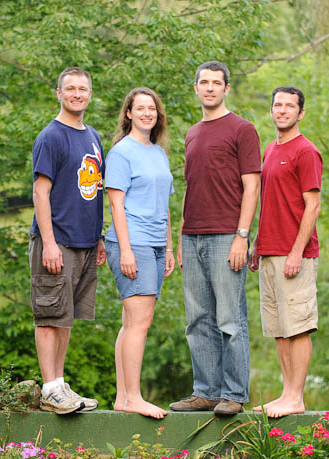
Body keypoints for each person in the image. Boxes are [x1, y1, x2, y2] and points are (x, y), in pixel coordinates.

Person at [170, 61, 261, 415]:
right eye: (203, 82)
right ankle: (206, 391)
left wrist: (242, 236)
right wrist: (180, 238)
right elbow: (191, 189)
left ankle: (234, 394)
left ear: (226, 89)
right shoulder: (192, 133)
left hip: (227, 236)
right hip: (192, 239)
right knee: (198, 319)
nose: (209, 88)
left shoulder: (242, 129)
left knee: (230, 319)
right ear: (196, 88)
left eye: (216, 83)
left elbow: (252, 186)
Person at [29, 67, 106, 415]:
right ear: (58, 93)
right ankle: (49, 387)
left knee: (66, 317)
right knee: (49, 314)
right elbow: (40, 193)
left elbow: (94, 192)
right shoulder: (51, 136)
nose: (77, 93)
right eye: (70, 88)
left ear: (90, 94)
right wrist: (49, 243)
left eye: (83, 88)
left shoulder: (92, 136)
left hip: (85, 242)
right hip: (57, 240)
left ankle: (60, 385)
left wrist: (99, 238)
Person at [248, 86, 323, 418]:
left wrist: (296, 252)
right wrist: (256, 245)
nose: (282, 110)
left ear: (300, 113)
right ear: (272, 110)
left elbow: (313, 206)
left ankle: (296, 397)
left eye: (290, 106)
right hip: (268, 251)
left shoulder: (305, 151)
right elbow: (269, 204)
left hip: (295, 255)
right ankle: (285, 394)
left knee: (298, 326)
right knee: (279, 328)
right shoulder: (268, 150)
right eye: (277, 104)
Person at [105, 87, 175, 419]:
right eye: (140, 108)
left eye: (152, 108)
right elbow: (116, 206)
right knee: (140, 323)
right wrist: (128, 252)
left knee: (131, 322)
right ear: (129, 113)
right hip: (132, 243)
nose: (147, 113)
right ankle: (133, 396)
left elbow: (165, 204)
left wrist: (170, 245)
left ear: (157, 115)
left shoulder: (159, 153)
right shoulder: (121, 152)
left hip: (156, 244)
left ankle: (123, 396)